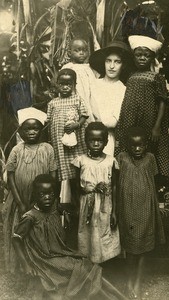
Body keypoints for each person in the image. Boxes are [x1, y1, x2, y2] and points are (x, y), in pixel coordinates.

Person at [12, 174, 127, 300]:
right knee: (83, 268)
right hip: (45, 258)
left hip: (59, 252)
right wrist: (25, 263)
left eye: (50, 193)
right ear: (35, 195)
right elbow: (16, 238)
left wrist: (65, 213)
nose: (47, 198)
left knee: (88, 265)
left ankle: (119, 296)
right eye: (42, 194)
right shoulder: (30, 217)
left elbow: (62, 208)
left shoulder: (54, 206)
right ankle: (113, 297)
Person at [3, 107, 57, 272]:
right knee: (20, 228)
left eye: (36, 128)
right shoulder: (17, 150)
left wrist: (51, 197)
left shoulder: (48, 148)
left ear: (41, 130)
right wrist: (19, 201)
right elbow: (10, 175)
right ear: (21, 131)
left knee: (40, 229)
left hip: (42, 198)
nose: (32, 132)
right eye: (28, 129)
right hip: (21, 197)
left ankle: (43, 263)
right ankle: (22, 265)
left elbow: (53, 174)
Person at [117, 127, 165, 300]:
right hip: (127, 208)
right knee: (130, 248)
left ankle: (138, 281)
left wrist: (159, 205)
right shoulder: (122, 158)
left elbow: (155, 182)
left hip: (146, 208)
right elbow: (115, 183)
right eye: (133, 146)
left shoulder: (150, 159)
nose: (137, 149)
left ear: (146, 146)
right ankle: (130, 280)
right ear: (128, 146)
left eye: (141, 145)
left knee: (144, 249)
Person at [117, 35, 169, 182]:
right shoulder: (130, 75)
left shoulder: (156, 77)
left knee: (147, 151)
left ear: (152, 58)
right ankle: (130, 182)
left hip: (149, 120)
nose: (142, 58)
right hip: (130, 120)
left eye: (146, 55)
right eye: (138, 55)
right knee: (129, 150)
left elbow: (162, 101)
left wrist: (157, 126)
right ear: (133, 57)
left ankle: (149, 184)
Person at [71, 122, 120, 263]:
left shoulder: (111, 161)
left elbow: (115, 187)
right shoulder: (80, 161)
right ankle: (90, 269)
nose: (96, 144)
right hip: (87, 205)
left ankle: (104, 269)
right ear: (86, 141)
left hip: (105, 205)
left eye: (99, 140)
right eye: (92, 140)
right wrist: (76, 205)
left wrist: (115, 211)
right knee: (88, 235)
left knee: (104, 235)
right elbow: (75, 186)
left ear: (105, 142)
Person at [47, 68, 88, 203]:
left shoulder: (77, 99)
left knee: (76, 169)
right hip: (59, 141)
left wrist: (76, 125)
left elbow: (84, 116)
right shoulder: (53, 103)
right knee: (62, 168)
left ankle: (78, 200)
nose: (65, 87)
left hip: (75, 141)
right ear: (57, 84)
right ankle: (63, 204)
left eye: (69, 84)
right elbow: (48, 121)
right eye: (62, 84)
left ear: (74, 85)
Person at [89, 40, 133, 156]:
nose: (112, 66)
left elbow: (112, 122)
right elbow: (86, 109)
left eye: (117, 62)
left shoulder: (123, 89)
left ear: (123, 66)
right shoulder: (93, 84)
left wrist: (98, 121)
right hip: (88, 136)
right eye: (108, 61)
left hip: (107, 138)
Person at [62, 38, 98, 122]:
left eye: (84, 50)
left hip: (89, 97)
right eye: (77, 50)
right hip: (75, 97)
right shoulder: (68, 67)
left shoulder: (89, 68)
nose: (81, 53)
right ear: (70, 52)